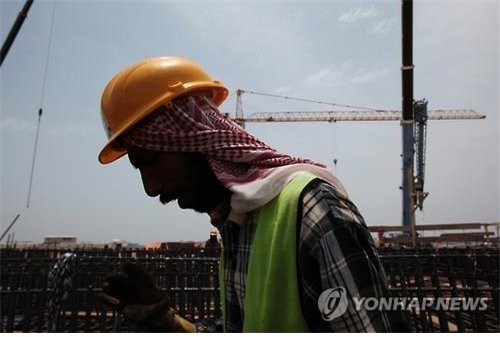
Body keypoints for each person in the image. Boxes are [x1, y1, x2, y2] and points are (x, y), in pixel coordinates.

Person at [97, 56, 409, 332]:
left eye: (151, 162)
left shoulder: (313, 212)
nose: (151, 188)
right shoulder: (238, 225)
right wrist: (167, 323)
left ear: (192, 137)